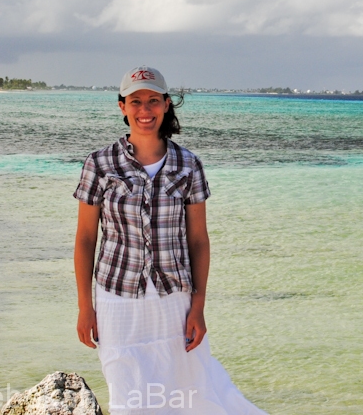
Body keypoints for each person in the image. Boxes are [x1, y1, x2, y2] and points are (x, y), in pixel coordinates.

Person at [73, 66, 266, 414]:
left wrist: (199, 305)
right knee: (126, 392)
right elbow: (86, 238)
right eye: (136, 101)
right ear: (122, 107)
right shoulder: (100, 164)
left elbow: (199, 241)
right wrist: (85, 307)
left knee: (187, 389)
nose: (144, 110)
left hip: (174, 298)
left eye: (152, 101)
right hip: (116, 297)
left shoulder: (188, 164)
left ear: (165, 105)